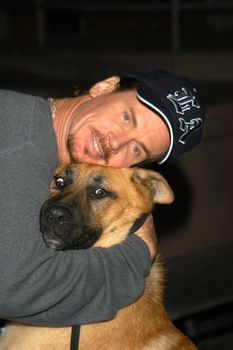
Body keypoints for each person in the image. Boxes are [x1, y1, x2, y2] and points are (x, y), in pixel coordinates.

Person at [0, 70, 205, 326]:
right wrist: (138, 252)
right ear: (104, 87)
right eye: (127, 118)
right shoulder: (22, 145)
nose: (115, 143)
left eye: (136, 148)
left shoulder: (32, 130)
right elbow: (18, 288)